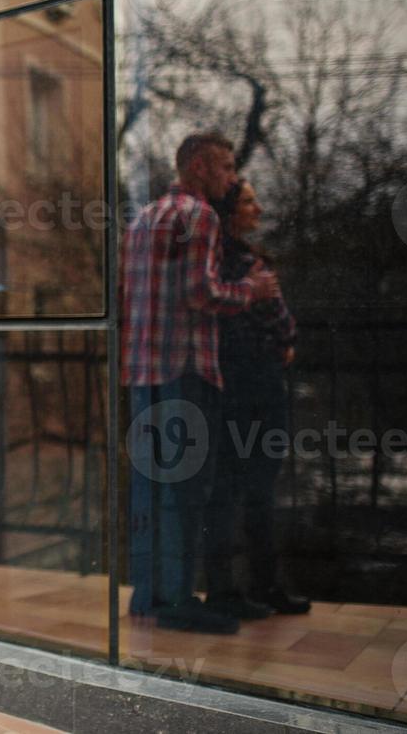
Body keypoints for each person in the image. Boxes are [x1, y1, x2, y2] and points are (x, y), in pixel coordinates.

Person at [120, 132, 279, 634]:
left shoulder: (144, 218)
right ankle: (179, 599)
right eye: (227, 168)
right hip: (186, 369)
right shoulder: (201, 217)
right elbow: (201, 292)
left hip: (141, 373)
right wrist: (250, 290)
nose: (232, 179)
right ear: (202, 166)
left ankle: (148, 594)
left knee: (150, 487)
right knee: (187, 491)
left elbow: (131, 294)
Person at [205, 179, 310, 616]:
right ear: (232, 213)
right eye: (249, 201)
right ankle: (263, 585)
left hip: (228, 382)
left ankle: (226, 588)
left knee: (227, 487)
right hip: (259, 383)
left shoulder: (214, 263)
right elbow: (283, 325)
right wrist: (283, 341)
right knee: (259, 487)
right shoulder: (250, 266)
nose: (258, 209)